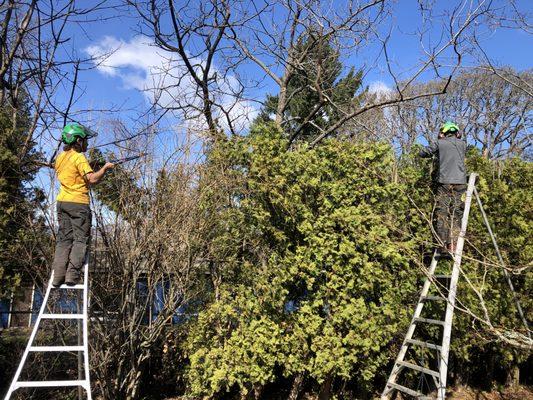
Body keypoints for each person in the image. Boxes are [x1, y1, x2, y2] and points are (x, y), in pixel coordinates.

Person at [52, 123, 114, 286]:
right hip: (78, 204)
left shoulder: (61, 157)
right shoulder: (79, 157)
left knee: (64, 240)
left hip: (62, 202)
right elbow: (92, 179)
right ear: (78, 141)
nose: (87, 143)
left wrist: (89, 167)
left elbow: (72, 173)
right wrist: (105, 168)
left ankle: (58, 277)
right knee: (80, 240)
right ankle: (72, 276)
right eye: (85, 140)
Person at [419, 121, 467, 254]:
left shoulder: (440, 143)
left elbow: (423, 153)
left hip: (444, 182)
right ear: (457, 133)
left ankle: (443, 244)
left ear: (444, 133)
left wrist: (440, 139)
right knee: (457, 212)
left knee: (442, 212)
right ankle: (455, 244)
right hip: (460, 183)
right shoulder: (463, 144)